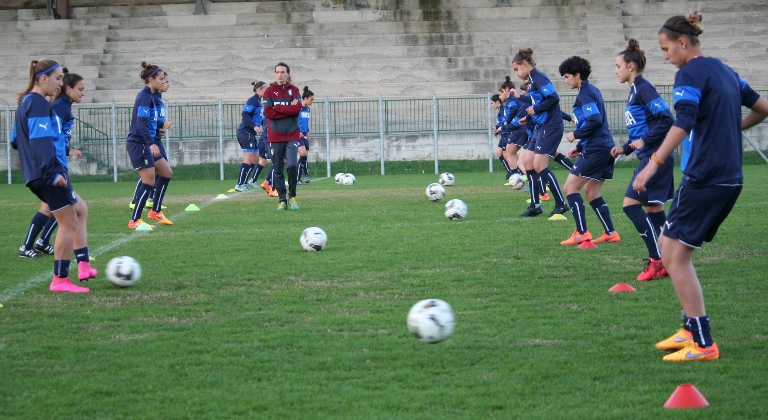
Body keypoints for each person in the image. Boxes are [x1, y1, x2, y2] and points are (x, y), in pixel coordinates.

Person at [633, 11, 768, 362]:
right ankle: (689, 328)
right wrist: (727, 129)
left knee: (676, 258)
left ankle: (703, 341)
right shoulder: (723, 69)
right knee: (667, 245)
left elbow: (684, 121)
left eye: (665, 49)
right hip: (729, 176)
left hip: (705, 175)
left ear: (682, 43)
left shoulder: (688, 72)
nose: (664, 56)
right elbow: (763, 108)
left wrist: (655, 162)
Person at [12, 59, 95, 293]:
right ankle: (60, 280)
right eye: (58, 78)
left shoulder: (28, 101)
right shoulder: (37, 103)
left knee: (79, 210)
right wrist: (53, 171)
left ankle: (83, 266)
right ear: (43, 78)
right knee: (68, 223)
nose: (60, 83)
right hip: (47, 173)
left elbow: (16, 140)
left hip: (39, 172)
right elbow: (41, 141)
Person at [611, 39, 675, 280]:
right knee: (654, 208)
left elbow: (666, 119)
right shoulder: (634, 91)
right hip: (652, 154)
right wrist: (624, 148)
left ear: (631, 66)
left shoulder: (644, 88)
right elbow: (641, 130)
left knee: (630, 205)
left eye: (618, 65)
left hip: (656, 156)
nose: (615, 70)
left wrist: (645, 141)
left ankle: (657, 259)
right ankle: (670, 258)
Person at [18, 68, 87, 259]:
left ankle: (40, 243)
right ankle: (72, 260)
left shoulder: (46, 104)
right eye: (80, 89)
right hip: (50, 167)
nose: (82, 93)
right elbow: (45, 138)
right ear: (68, 89)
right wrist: (62, 153)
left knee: (60, 208)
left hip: (48, 166)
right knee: (68, 211)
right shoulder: (54, 107)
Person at [557, 56, 619, 246]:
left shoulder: (585, 93)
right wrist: (579, 146)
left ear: (578, 75)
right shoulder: (592, 91)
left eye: (567, 77)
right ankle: (610, 233)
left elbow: (595, 121)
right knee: (591, 192)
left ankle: (581, 233)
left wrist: (575, 134)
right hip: (603, 147)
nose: (566, 81)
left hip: (597, 149)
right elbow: (596, 124)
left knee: (570, 188)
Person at [512, 48, 568, 218]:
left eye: (516, 69)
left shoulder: (539, 77)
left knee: (539, 165)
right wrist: (528, 117)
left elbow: (554, 98)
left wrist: (534, 109)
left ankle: (560, 203)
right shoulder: (532, 80)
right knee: (527, 162)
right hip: (540, 126)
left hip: (550, 126)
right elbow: (537, 101)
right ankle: (535, 205)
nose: (516, 73)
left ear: (524, 64)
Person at [126, 61, 166, 228]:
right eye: (161, 79)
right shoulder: (144, 96)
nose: (163, 81)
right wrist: (151, 142)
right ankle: (135, 220)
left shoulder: (151, 96)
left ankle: (155, 211)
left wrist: (157, 131)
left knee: (166, 172)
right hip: (139, 143)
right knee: (148, 182)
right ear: (151, 79)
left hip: (146, 141)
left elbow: (148, 122)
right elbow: (141, 124)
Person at [262, 62, 303, 211]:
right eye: (277, 72)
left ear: (288, 74)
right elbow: (268, 113)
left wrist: (278, 108)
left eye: (283, 72)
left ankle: (292, 196)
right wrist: (288, 108)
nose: (280, 74)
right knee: (278, 169)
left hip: (292, 135)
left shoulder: (295, 90)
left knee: (292, 165)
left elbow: (297, 109)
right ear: (275, 74)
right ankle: (281, 200)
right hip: (275, 136)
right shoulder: (269, 92)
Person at [235, 81, 267, 192]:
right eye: (265, 89)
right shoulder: (253, 100)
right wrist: (254, 127)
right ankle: (240, 184)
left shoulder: (259, 102)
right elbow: (245, 114)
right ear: (259, 90)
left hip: (251, 133)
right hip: (245, 132)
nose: (266, 91)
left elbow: (261, 119)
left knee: (255, 159)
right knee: (248, 159)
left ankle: (246, 183)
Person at [297, 86, 315, 184]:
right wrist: (297, 131)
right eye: (311, 100)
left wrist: (307, 131)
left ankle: (304, 176)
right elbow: (293, 121)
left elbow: (305, 121)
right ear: (305, 98)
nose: (312, 101)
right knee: (303, 153)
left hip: (304, 135)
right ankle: (297, 178)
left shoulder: (307, 109)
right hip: (297, 135)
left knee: (304, 156)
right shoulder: (297, 108)